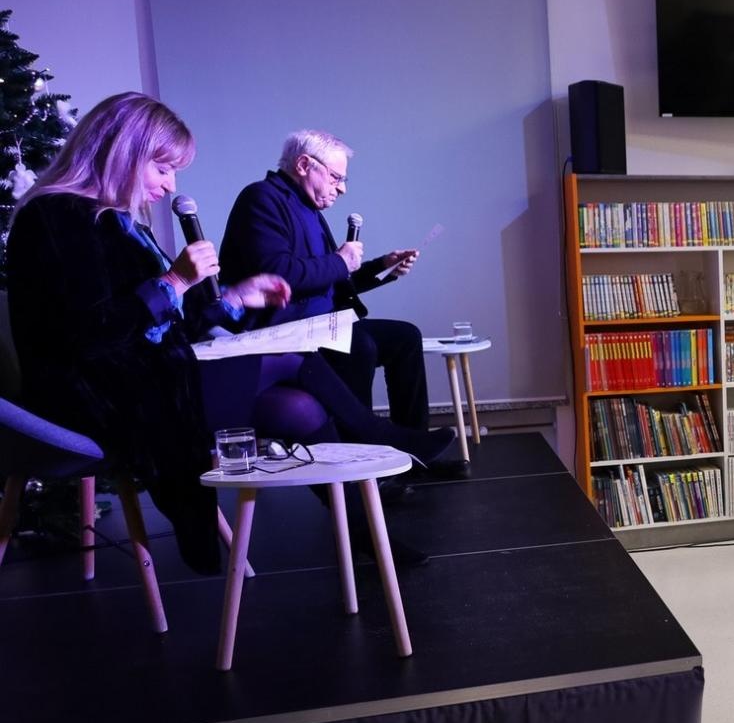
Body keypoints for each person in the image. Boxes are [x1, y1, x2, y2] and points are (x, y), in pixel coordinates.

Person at [6, 94, 454, 574]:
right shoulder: (56, 218)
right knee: (296, 356)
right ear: (122, 153)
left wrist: (237, 297)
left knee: (298, 408)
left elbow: (166, 322)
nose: (170, 186)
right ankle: (381, 438)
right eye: (163, 169)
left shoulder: (115, 221)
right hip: (97, 398)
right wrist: (174, 281)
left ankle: (364, 532)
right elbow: (89, 335)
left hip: (142, 380)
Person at [220, 131, 457, 476]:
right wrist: (340, 261)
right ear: (304, 165)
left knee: (406, 337)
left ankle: (414, 453)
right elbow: (277, 274)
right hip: (284, 330)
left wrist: (381, 268)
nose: (342, 188)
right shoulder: (261, 198)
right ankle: (365, 466)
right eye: (335, 177)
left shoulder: (308, 208)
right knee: (358, 344)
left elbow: (328, 280)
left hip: (321, 324)